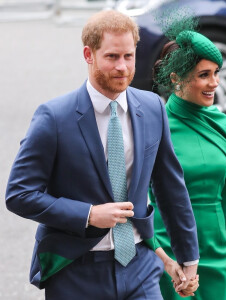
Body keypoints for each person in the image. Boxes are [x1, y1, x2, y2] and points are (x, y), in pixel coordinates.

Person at [5, 10, 199, 300]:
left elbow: (171, 188)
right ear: (88, 54)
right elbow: (19, 193)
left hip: (140, 266)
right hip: (75, 272)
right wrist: (88, 214)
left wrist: (189, 258)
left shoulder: (153, 108)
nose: (122, 67)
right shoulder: (54, 118)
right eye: (111, 57)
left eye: (128, 56)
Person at [149, 29, 226, 300]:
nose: (215, 83)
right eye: (203, 75)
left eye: (216, 73)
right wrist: (163, 259)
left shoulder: (221, 124)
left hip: (216, 251)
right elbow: (141, 202)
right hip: (169, 252)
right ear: (176, 79)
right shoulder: (155, 126)